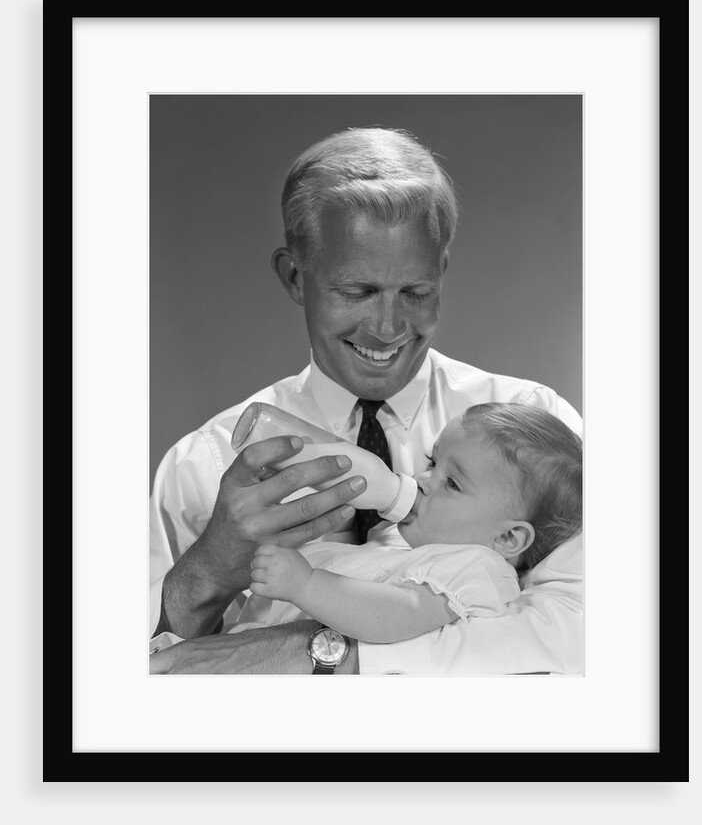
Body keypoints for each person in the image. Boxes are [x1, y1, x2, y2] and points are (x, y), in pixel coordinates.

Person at [149, 126, 583, 675]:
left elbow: (587, 635)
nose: (387, 327)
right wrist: (209, 570)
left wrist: (319, 655)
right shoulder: (206, 463)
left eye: (416, 292)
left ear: (442, 273)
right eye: (357, 292)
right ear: (294, 278)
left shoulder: (536, 428)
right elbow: (122, 679)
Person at [236, 402, 583, 643]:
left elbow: (395, 615)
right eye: (433, 462)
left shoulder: (479, 569)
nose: (421, 478)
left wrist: (305, 584)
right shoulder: (415, 543)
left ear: (508, 538)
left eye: (452, 484)